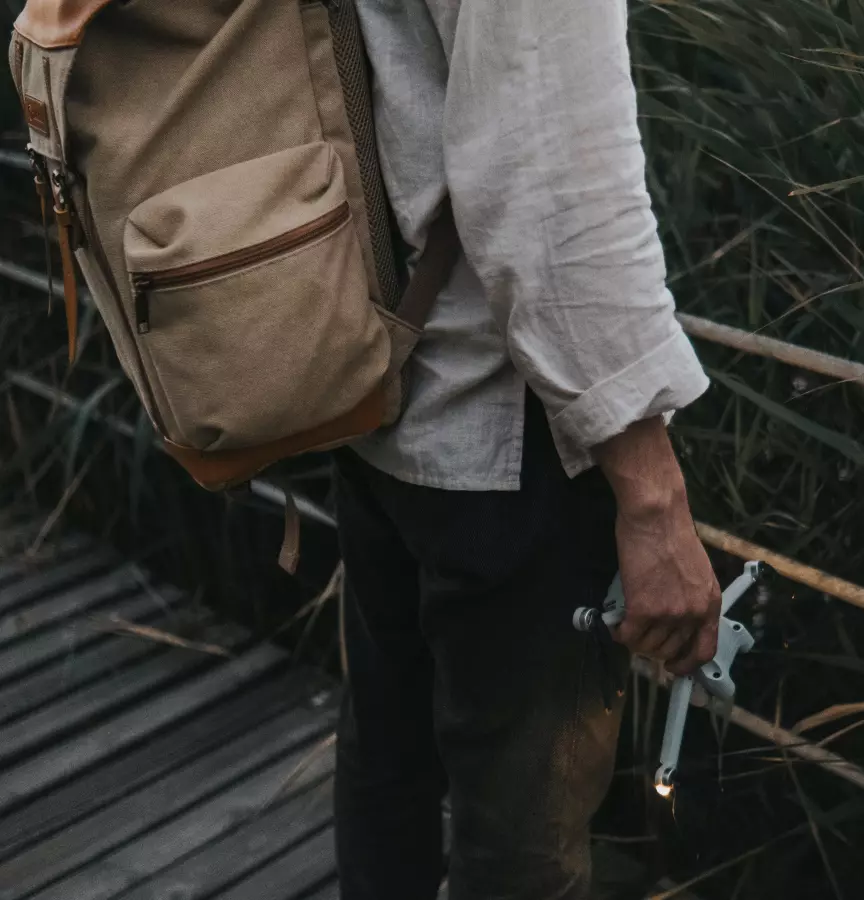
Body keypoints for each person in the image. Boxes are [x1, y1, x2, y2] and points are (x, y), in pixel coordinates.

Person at [333, 0, 722, 897]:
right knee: (521, 849)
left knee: (386, 768)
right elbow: (553, 179)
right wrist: (653, 495)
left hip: (372, 389)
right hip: (501, 431)